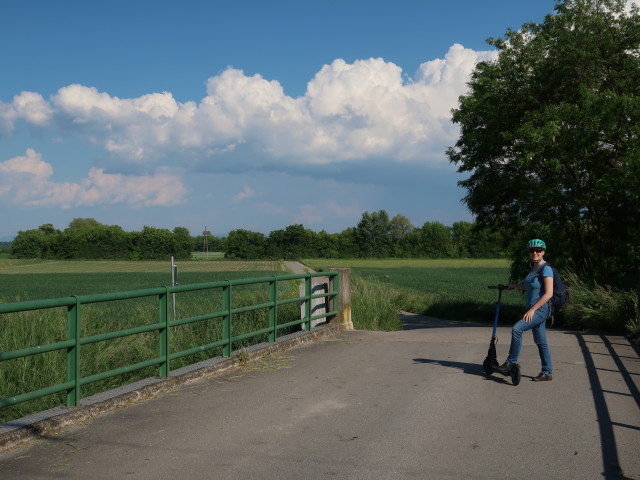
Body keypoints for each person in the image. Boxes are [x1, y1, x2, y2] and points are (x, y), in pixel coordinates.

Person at [496, 239, 554, 381]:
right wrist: (514, 285)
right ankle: (547, 372)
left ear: (543, 252)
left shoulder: (546, 269)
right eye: (532, 250)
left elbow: (548, 293)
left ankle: (510, 362)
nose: (534, 253)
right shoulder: (533, 268)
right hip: (534, 309)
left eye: (538, 250)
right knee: (541, 342)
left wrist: (532, 310)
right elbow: (528, 286)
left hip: (540, 309)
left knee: (517, 329)